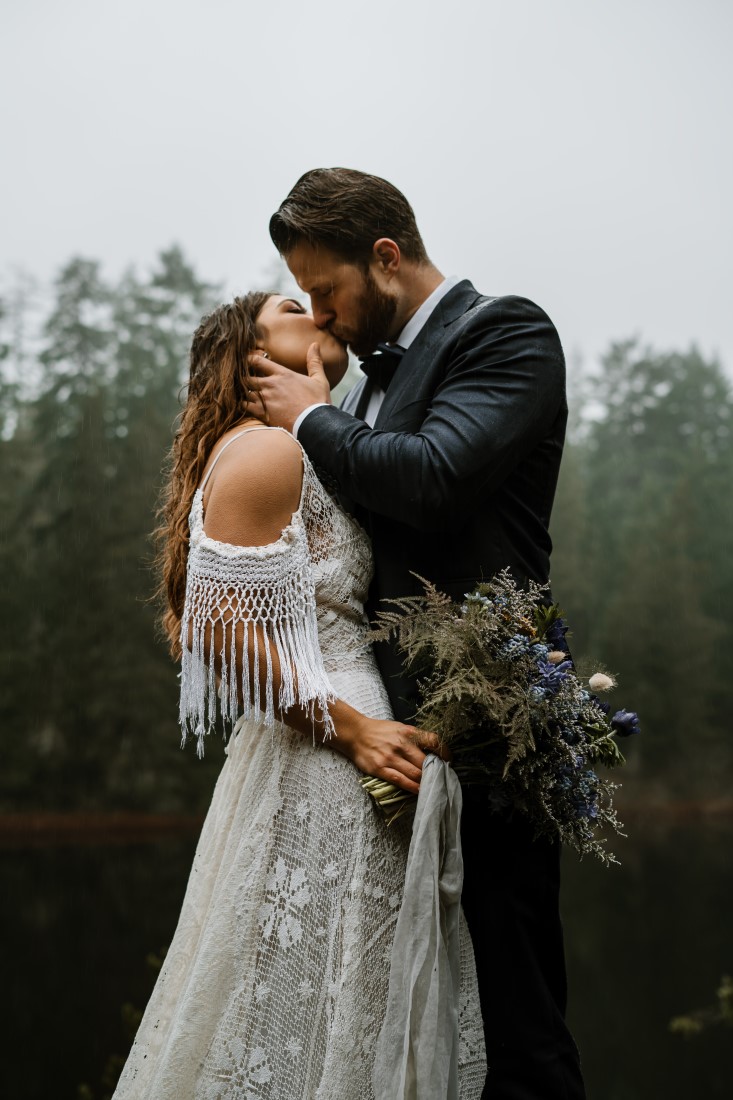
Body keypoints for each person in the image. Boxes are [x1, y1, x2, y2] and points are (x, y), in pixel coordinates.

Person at [248, 168, 586, 1100]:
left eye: (326, 289)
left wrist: (308, 417)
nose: (321, 312)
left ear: (385, 258)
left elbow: (434, 477)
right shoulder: (361, 388)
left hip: (489, 732)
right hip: (389, 745)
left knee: (516, 1019)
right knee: (424, 1023)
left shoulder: (509, 334)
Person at [112, 292, 487, 1099]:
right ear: (248, 353)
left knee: (341, 984)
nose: (318, 310)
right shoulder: (266, 452)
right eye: (291, 304)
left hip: (328, 743)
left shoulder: (289, 447)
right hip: (326, 757)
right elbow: (214, 627)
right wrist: (351, 730)